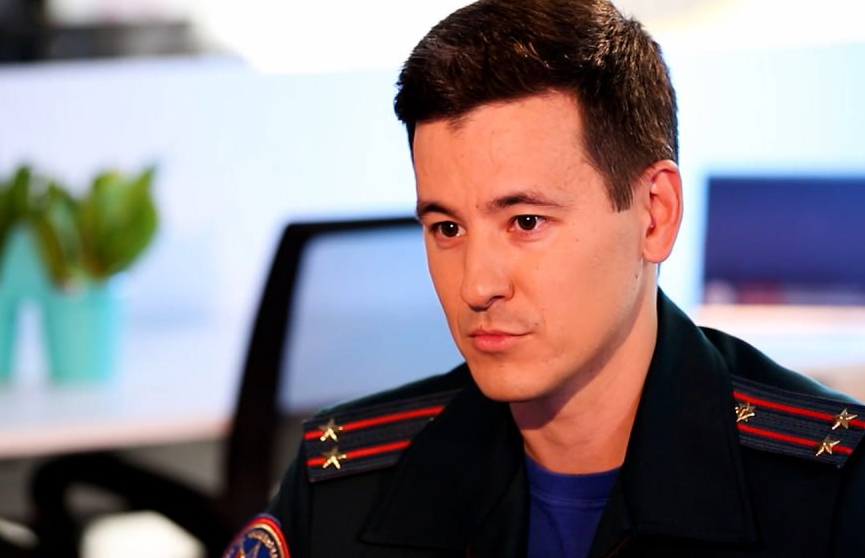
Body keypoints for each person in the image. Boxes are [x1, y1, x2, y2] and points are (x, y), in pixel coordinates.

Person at [224, 0, 865, 556]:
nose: (477, 286)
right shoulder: (343, 483)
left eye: (526, 221)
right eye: (447, 228)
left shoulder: (835, 495)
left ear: (654, 214)